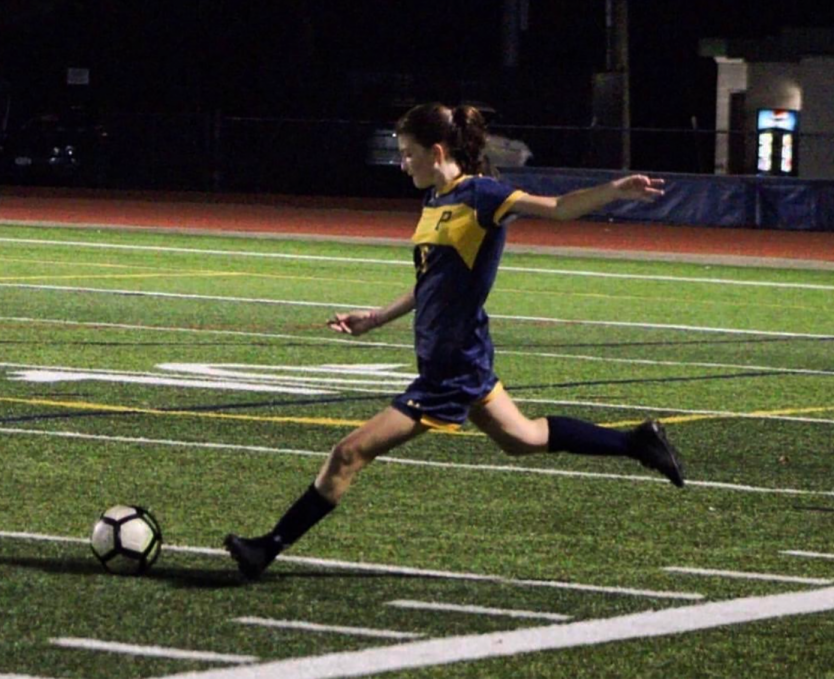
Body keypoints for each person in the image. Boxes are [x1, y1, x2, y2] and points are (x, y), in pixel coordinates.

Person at [225, 102, 684, 581]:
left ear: (437, 151)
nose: (402, 164)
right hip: (456, 357)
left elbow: (558, 208)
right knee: (523, 438)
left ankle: (267, 549)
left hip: (451, 369)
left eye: (407, 154)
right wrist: (377, 317)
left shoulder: (483, 196)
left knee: (348, 453)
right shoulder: (434, 202)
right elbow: (431, 281)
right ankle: (637, 442)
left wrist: (615, 190)